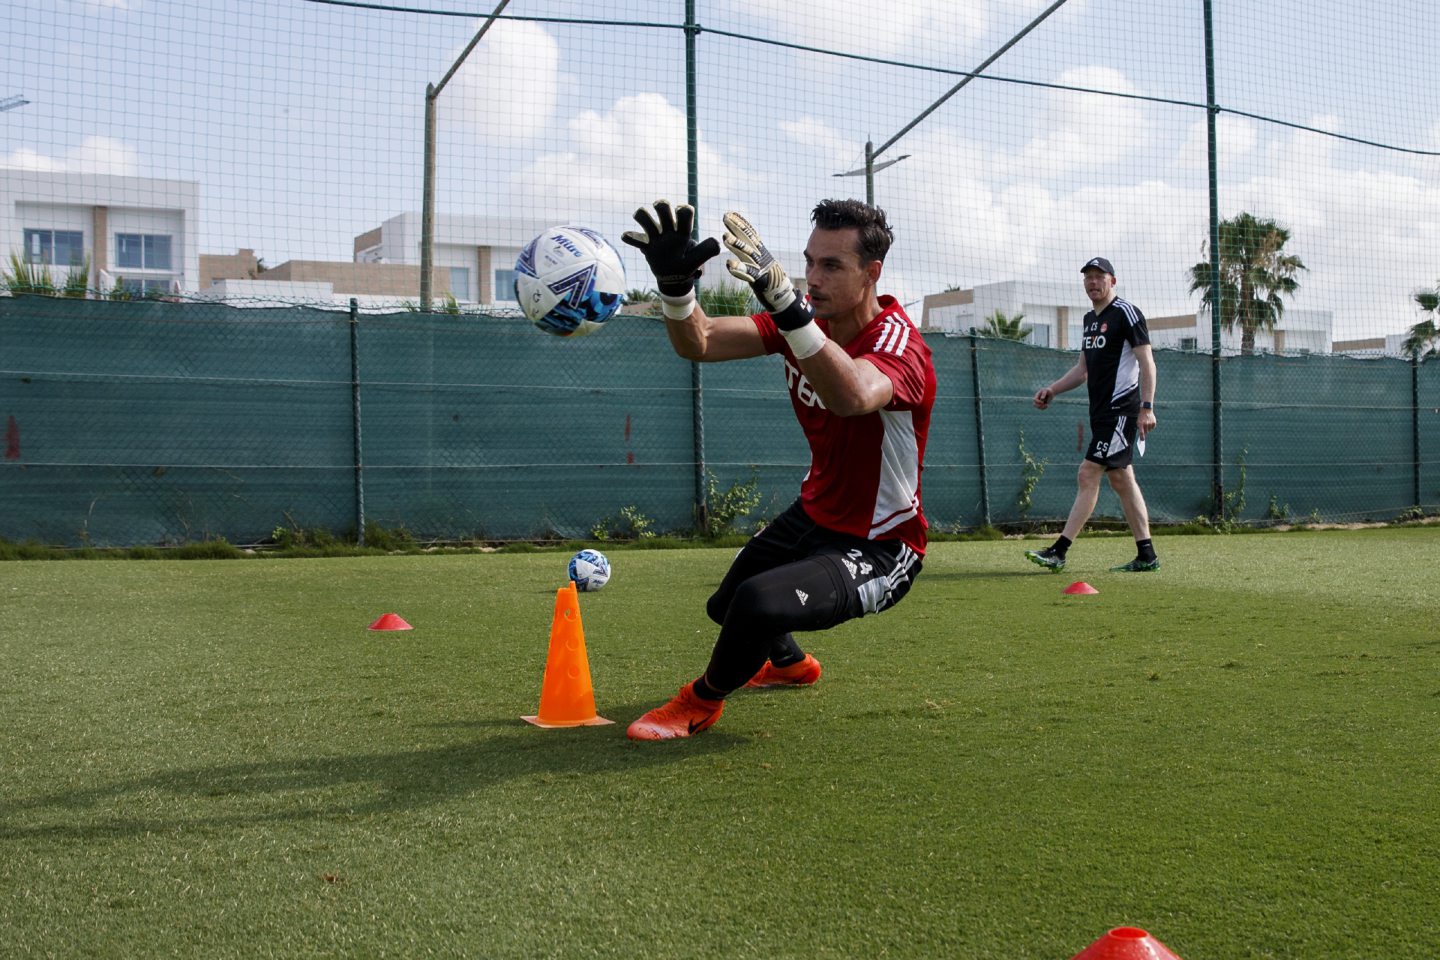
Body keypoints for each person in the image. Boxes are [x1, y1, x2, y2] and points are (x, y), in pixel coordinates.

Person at [619, 198, 936, 740]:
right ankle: (789, 664)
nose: (812, 278)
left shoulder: (898, 342)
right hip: (813, 516)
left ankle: (701, 701)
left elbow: (853, 393)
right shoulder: (803, 323)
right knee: (727, 607)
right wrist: (676, 288)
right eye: (809, 262)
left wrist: (791, 310)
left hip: (883, 543)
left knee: (758, 604)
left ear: (871, 273)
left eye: (832, 266)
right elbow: (701, 341)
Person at [1025, 256, 1159, 573]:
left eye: (1099, 277)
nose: (1093, 282)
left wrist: (1147, 407)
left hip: (1120, 411)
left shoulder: (1126, 313)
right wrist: (1053, 389)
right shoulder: (1089, 320)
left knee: (1088, 474)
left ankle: (1059, 550)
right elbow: (1082, 370)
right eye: (1088, 277)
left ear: (1113, 281)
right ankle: (1147, 554)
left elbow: (1147, 363)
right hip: (1101, 413)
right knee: (1122, 479)